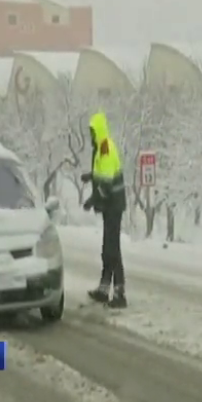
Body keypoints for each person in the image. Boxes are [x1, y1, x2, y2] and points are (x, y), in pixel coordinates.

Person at [80, 111, 127, 308]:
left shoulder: (106, 148)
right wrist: (91, 176)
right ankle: (104, 289)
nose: (90, 136)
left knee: (112, 250)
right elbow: (102, 173)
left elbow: (106, 184)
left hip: (113, 206)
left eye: (92, 132)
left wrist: (92, 199)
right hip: (110, 206)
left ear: (98, 131)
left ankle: (119, 294)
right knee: (108, 249)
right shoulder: (101, 148)